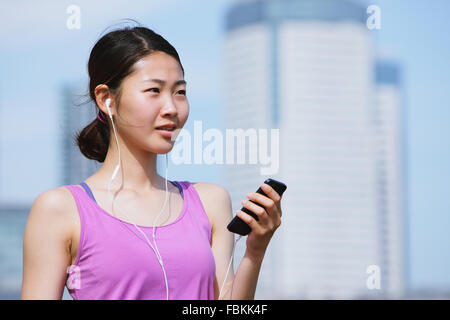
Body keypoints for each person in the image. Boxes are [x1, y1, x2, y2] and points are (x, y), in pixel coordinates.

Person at [21, 23, 283, 300]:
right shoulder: (60, 209)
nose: (171, 108)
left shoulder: (209, 201)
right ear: (106, 99)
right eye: (154, 91)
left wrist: (255, 251)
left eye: (180, 92)